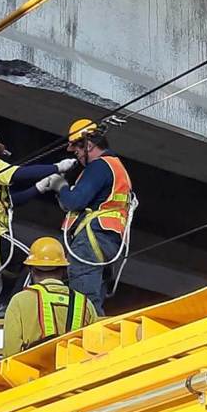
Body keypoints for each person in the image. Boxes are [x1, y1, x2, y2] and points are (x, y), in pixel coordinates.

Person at [0, 129, 76, 317]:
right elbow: (19, 174)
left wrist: (40, 187)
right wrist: (57, 167)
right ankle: (10, 307)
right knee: (32, 260)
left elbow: (11, 201)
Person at [46, 119, 133, 315]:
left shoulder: (99, 167)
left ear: (89, 144)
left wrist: (60, 185)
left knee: (82, 300)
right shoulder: (115, 167)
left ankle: (87, 337)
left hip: (92, 238)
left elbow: (75, 202)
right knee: (91, 299)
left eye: (77, 147)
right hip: (107, 240)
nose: (75, 152)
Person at [2, 237, 96, 357]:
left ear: (31, 270)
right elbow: (94, 349)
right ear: (64, 270)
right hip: (74, 373)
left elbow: (10, 353)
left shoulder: (20, 301)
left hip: (35, 374)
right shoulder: (86, 304)